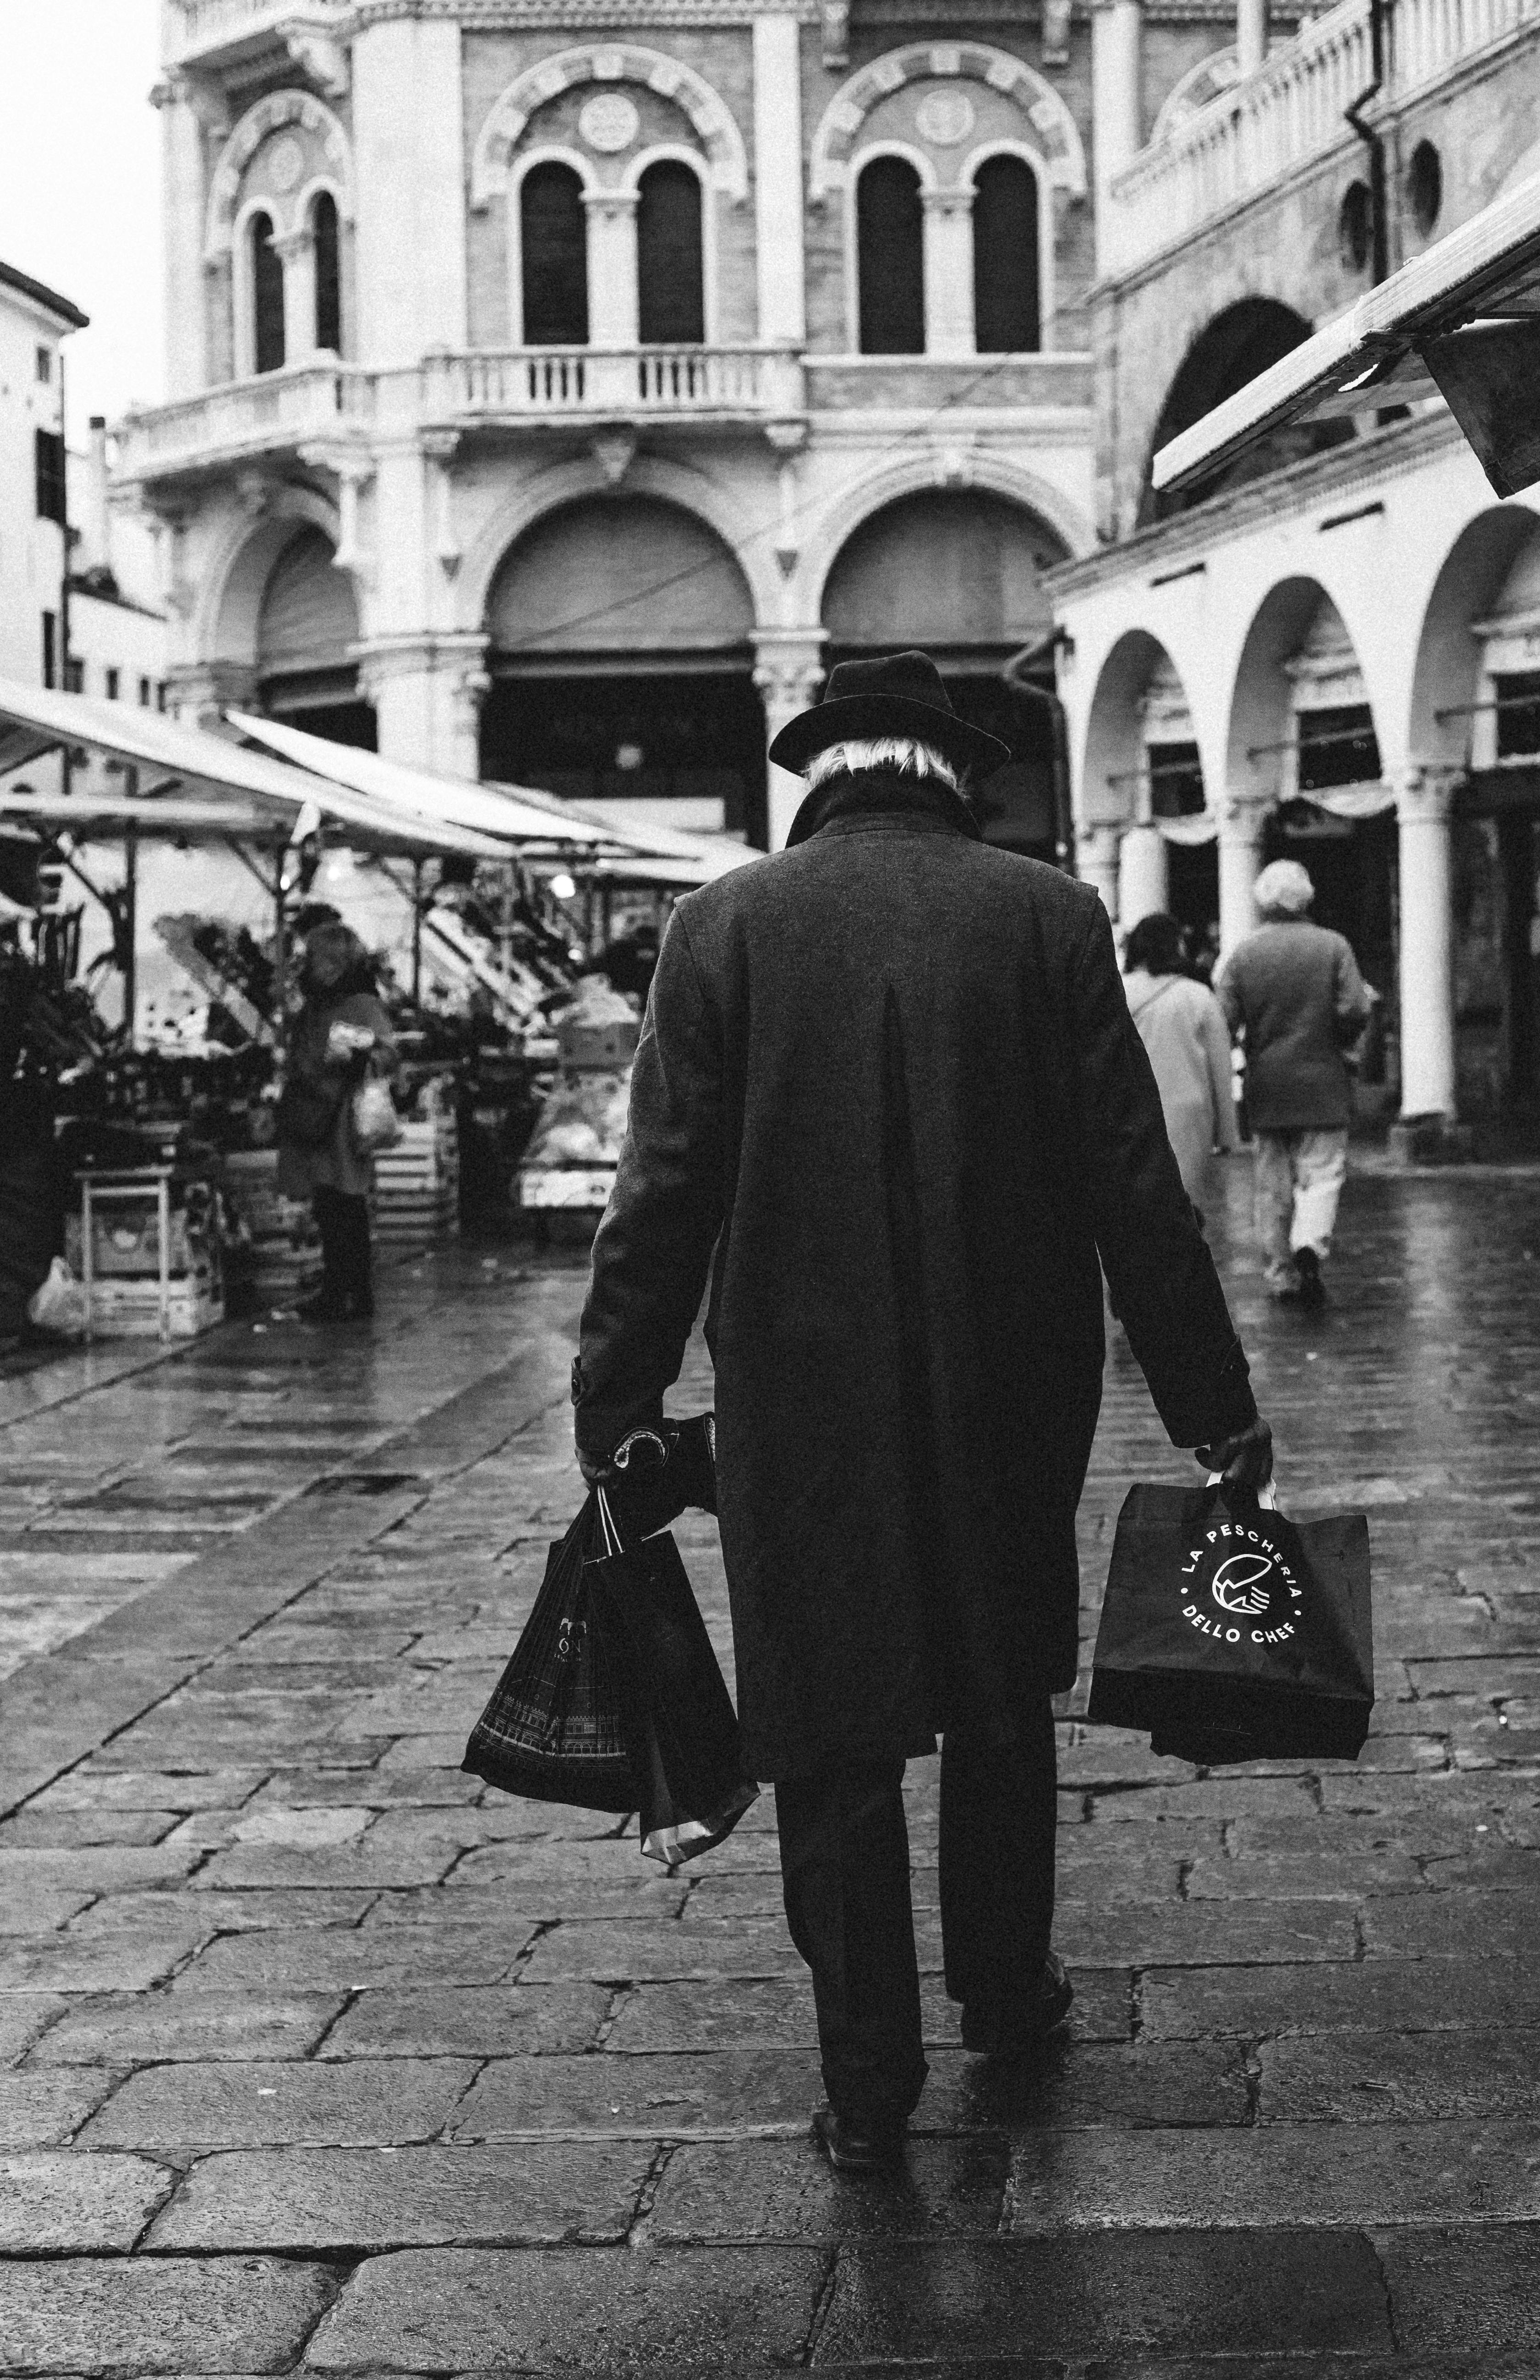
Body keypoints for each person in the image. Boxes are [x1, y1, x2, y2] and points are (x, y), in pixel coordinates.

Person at [570, 652, 1271, 2174]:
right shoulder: (1043, 917)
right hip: (1011, 1389)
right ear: (956, 774)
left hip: (793, 1398)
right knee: (998, 1693)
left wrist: (611, 1399)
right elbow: (1130, 1192)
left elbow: (660, 1192)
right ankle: (1005, 1996)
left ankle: (866, 2076)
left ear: (822, 771)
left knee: (824, 1727)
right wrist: (1212, 1409)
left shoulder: (721, 925)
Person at [1216, 858, 1370, 1309]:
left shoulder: (1244, 955)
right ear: (1307, 898)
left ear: (1263, 901)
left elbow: (1223, 1019)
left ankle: (1281, 1271)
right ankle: (1309, 1244)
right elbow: (1356, 1010)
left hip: (1268, 1084)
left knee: (1272, 1181)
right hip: (1323, 1079)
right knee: (1321, 1174)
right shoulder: (1334, 947)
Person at [275, 915, 396, 1325]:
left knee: (347, 1205)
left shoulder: (361, 1005)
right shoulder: (314, 1006)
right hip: (315, 1114)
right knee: (328, 1205)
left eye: (314, 958)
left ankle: (353, 1293)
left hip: (343, 1120)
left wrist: (361, 1056)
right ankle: (337, 1290)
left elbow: (388, 1054)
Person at [1122, 911, 1237, 1214]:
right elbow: (1220, 1069)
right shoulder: (1199, 997)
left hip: (1128, 1114)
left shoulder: (1116, 992)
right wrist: (1227, 1132)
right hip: (1189, 1118)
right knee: (1183, 1207)